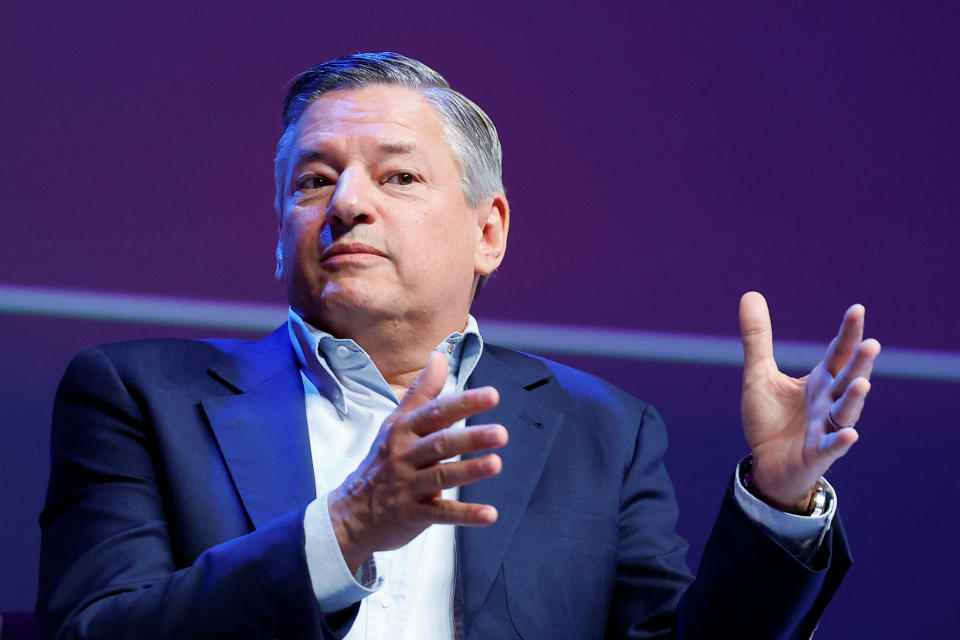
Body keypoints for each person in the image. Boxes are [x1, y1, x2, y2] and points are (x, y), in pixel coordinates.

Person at [37, 52, 880, 640]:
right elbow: (95, 630)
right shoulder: (140, 396)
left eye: (397, 175)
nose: (346, 204)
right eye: (313, 179)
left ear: (489, 230)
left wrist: (777, 498)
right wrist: (348, 528)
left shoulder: (602, 429)